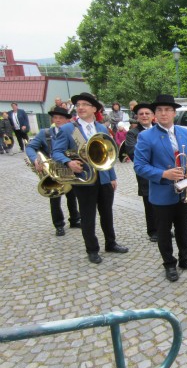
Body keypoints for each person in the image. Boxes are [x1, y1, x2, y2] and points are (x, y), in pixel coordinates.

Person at [52, 92, 129, 264]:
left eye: (85, 104)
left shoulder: (101, 128)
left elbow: (109, 155)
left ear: (94, 109)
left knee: (107, 213)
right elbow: (56, 152)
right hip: (84, 179)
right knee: (88, 216)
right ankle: (92, 249)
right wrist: (68, 162)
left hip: (104, 178)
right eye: (78, 105)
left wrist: (112, 177)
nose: (80, 107)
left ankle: (111, 243)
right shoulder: (68, 129)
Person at [134, 94, 187, 282]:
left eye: (167, 110)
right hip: (162, 193)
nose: (163, 113)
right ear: (155, 114)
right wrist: (164, 174)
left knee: (182, 228)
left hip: (184, 190)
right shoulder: (145, 136)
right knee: (164, 232)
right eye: (160, 110)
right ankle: (169, 264)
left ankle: (185, 259)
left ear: (174, 113)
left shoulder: (184, 132)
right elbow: (139, 166)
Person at [25, 107, 81, 236]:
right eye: (55, 117)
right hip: (53, 171)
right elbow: (30, 147)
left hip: (69, 169)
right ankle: (59, 225)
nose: (57, 120)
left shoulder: (72, 132)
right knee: (55, 197)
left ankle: (75, 219)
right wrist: (35, 159)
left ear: (67, 120)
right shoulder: (45, 133)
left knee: (72, 195)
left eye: (61, 118)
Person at [124, 103, 158, 242]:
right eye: (141, 114)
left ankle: (164, 228)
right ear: (137, 117)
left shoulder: (158, 129)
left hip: (161, 171)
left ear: (153, 116)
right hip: (145, 173)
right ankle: (153, 231)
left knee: (162, 201)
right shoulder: (132, 133)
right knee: (149, 202)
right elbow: (133, 152)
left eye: (147, 113)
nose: (144, 116)